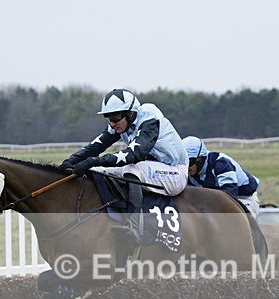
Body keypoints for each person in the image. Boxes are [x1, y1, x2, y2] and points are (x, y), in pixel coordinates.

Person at [59, 88, 189, 244]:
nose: (112, 123)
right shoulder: (121, 124)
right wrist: (71, 161)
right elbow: (96, 146)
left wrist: (94, 160)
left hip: (175, 173)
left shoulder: (149, 118)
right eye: (108, 118)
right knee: (97, 171)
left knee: (131, 170)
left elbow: (135, 153)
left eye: (115, 117)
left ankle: (133, 227)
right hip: (151, 170)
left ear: (131, 113)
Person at [181, 136, 261, 216]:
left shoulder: (221, 164)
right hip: (217, 200)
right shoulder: (186, 171)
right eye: (183, 162)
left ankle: (253, 229)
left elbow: (230, 198)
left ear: (200, 159)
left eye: (190, 162)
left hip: (243, 198)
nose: (186, 167)